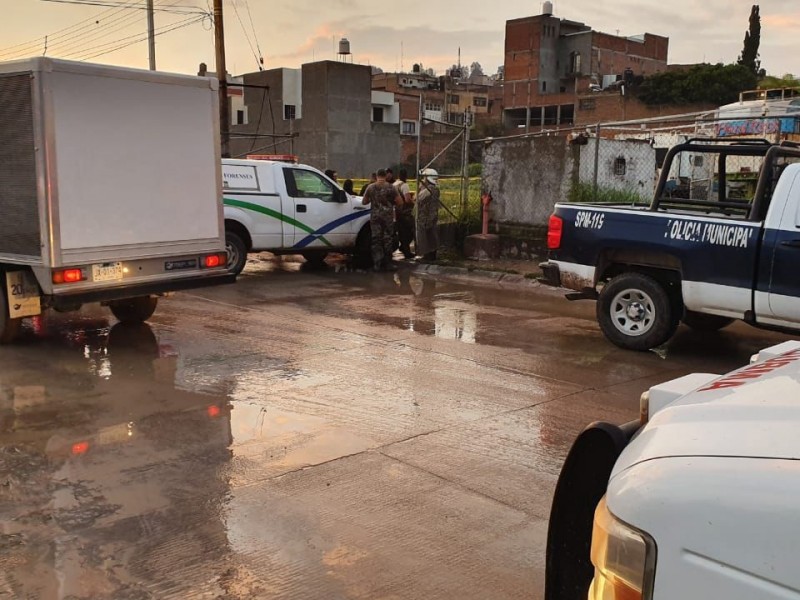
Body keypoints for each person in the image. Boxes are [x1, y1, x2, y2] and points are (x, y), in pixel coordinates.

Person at [362, 169, 402, 272]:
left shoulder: (371, 187)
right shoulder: (390, 187)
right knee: (387, 239)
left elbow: (364, 202)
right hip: (387, 218)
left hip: (375, 218)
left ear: (377, 176)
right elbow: (399, 202)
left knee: (376, 239)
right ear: (385, 176)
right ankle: (388, 264)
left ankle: (377, 264)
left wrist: (374, 200)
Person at [415, 168, 440, 261]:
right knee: (431, 235)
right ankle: (431, 255)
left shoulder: (429, 190)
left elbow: (417, 199)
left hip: (425, 216)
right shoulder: (434, 189)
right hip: (430, 215)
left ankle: (426, 255)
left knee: (424, 236)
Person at [393, 168, 415, 259]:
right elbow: (407, 199)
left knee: (401, 231)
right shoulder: (404, 185)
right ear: (406, 176)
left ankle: (403, 248)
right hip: (404, 211)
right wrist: (413, 201)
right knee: (410, 230)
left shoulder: (394, 184)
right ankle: (406, 251)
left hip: (395, 211)